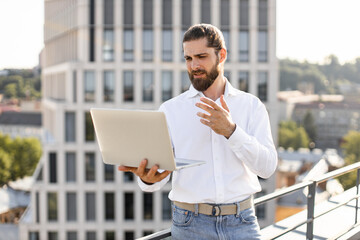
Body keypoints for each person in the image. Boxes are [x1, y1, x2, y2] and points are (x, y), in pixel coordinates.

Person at [118, 24, 277, 240]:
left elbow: (267, 168)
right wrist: (148, 179)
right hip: (190, 225)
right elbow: (157, 180)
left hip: (242, 222)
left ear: (221, 55)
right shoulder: (170, 110)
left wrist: (231, 131)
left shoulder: (251, 106)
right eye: (188, 58)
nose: (194, 65)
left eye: (201, 56)